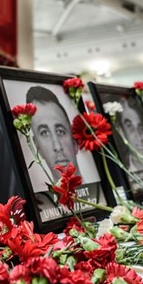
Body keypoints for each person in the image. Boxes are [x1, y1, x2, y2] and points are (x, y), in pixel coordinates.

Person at [25, 85, 103, 220]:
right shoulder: (42, 207)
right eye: (44, 133)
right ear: (37, 147)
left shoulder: (100, 195)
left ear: (75, 141)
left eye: (60, 131)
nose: (57, 146)